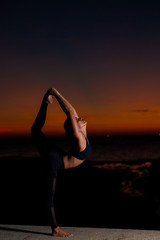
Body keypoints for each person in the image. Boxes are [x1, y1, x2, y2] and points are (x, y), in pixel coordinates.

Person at [31, 88, 92, 237]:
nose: (80, 118)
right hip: (54, 161)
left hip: (56, 154)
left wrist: (55, 95)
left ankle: (45, 103)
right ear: (75, 128)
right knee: (49, 196)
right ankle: (55, 229)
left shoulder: (81, 131)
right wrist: (56, 94)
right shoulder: (80, 140)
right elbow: (70, 113)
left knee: (35, 131)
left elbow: (72, 110)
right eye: (77, 120)